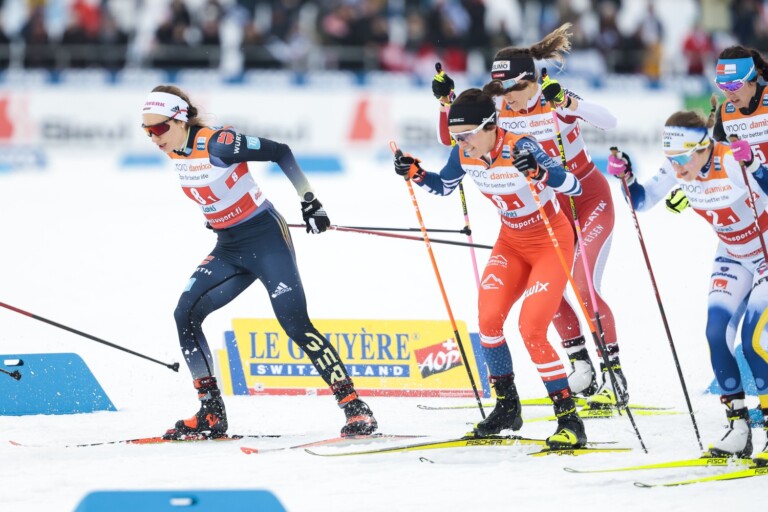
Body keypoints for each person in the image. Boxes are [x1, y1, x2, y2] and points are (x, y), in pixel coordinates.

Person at [141, 85, 377, 439]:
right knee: (184, 314)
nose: (153, 138)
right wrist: (216, 215)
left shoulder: (219, 143)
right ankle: (211, 412)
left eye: (159, 128)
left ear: (180, 119)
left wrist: (310, 201)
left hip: (267, 241)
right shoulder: (176, 150)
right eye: (147, 131)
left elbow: (281, 151)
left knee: (295, 323)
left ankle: (355, 406)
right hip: (229, 247)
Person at [432, 23, 626, 408]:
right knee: (546, 285)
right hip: (546, 208)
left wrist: (570, 104)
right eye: (501, 90)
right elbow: (454, 142)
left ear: (531, 80)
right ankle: (580, 363)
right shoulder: (499, 110)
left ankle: (614, 371)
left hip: (586, 199)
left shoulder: (553, 99)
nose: (507, 97)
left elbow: (610, 121)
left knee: (582, 283)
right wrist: (445, 105)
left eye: (512, 89)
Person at [394, 88, 587, 448]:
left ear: (490, 126)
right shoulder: (463, 154)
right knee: (488, 321)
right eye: (456, 137)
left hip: (550, 241)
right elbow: (444, 186)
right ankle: (507, 408)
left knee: (531, 328)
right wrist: (416, 173)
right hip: (511, 242)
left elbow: (573, 186)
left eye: (467, 135)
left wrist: (540, 174)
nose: (462, 143)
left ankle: (569, 419)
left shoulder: (522, 146)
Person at [607, 110, 768, 466]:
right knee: (715, 334)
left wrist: (756, 166)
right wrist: (627, 179)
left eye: (681, 158)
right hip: (732, 254)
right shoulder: (677, 167)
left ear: (703, 148)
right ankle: (738, 427)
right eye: (670, 158)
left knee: (753, 341)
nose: (676, 168)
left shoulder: (730, 161)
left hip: (766, 252)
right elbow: (642, 201)